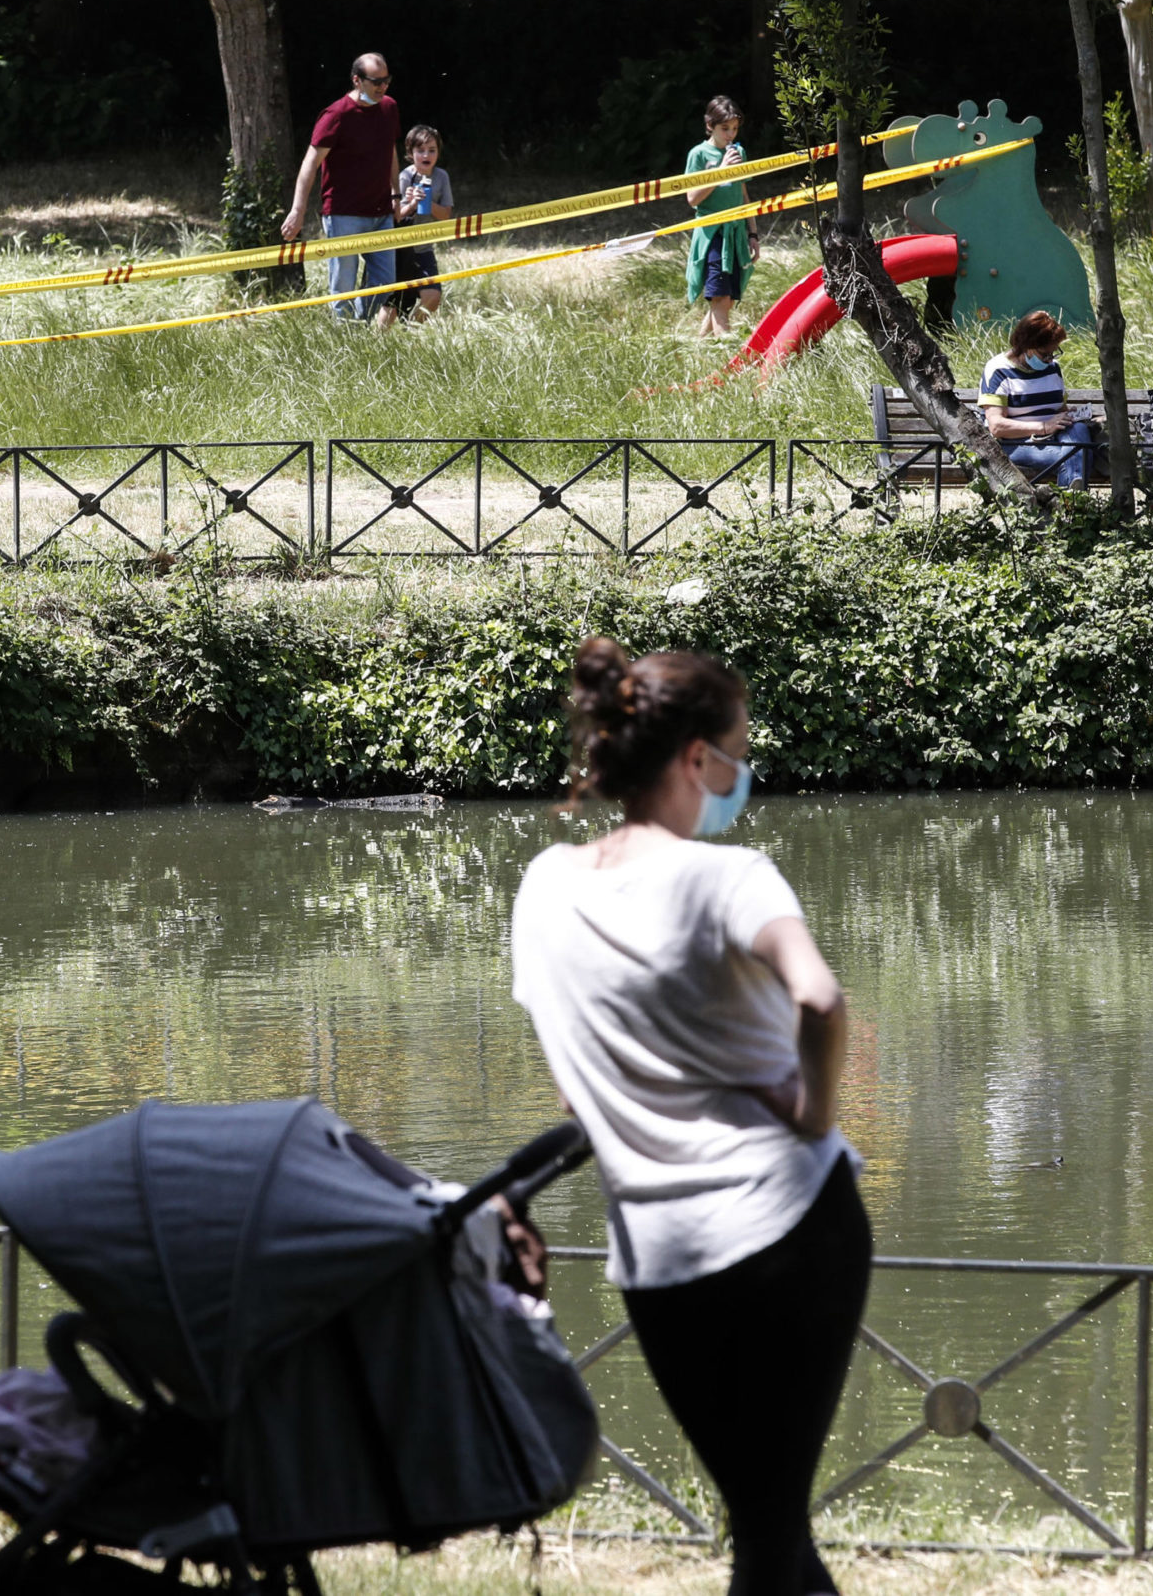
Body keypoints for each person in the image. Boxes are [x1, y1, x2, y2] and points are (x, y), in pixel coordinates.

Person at [511, 638, 866, 1596]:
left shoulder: (544, 886)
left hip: (656, 1254)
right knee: (768, 1530)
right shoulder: (730, 876)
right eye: (738, 749)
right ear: (693, 758)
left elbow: (576, 1069)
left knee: (764, 1514)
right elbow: (822, 1000)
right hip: (791, 1224)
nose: (742, 772)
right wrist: (810, 1111)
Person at [282, 53, 401, 322]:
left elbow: (391, 152)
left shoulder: (389, 107)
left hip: (382, 212)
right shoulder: (336, 115)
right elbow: (310, 164)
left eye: (386, 81)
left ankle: (361, 330)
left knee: (386, 286)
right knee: (343, 289)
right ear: (357, 81)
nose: (383, 87)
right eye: (376, 82)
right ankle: (345, 342)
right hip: (343, 215)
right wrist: (297, 210)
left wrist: (396, 195)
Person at [978, 310, 1097, 489]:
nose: (1050, 360)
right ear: (1027, 346)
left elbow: (1058, 409)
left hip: (1053, 437)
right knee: (1076, 458)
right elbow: (997, 427)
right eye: (1045, 354)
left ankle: (1070, 504)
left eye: (1053, 353)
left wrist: (1069, 414)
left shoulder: (1052, 369)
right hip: (1014, 443)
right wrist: (1042, 427)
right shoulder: (998, 370)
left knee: (1079, 431)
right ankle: (1072, 508)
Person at [683, 96, 754, 339]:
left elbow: (744, 194)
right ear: (710, 125)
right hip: (712, 233)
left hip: (736, 232)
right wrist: (720, 171)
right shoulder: (699, 155)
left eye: (734, 128)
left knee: (727, 299)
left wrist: (753, 234)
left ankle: (698, 347)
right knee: (720, 296)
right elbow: (692, 198)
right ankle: (729, 350)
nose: (730, 134)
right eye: (725, 128)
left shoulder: (739, 152)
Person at [378, 124, 454, 328]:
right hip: (400, 250)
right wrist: (411, 204)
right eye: (420, 150)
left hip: (424, 249)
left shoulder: (441, 177)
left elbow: (446, 215)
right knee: (392, 302)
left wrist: (428, 204)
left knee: (433, 296)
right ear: (411, 153)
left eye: (432, 150)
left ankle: (410, 331)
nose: (426, 155)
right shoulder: (403, 177)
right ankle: (378, 342)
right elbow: (395, 217)